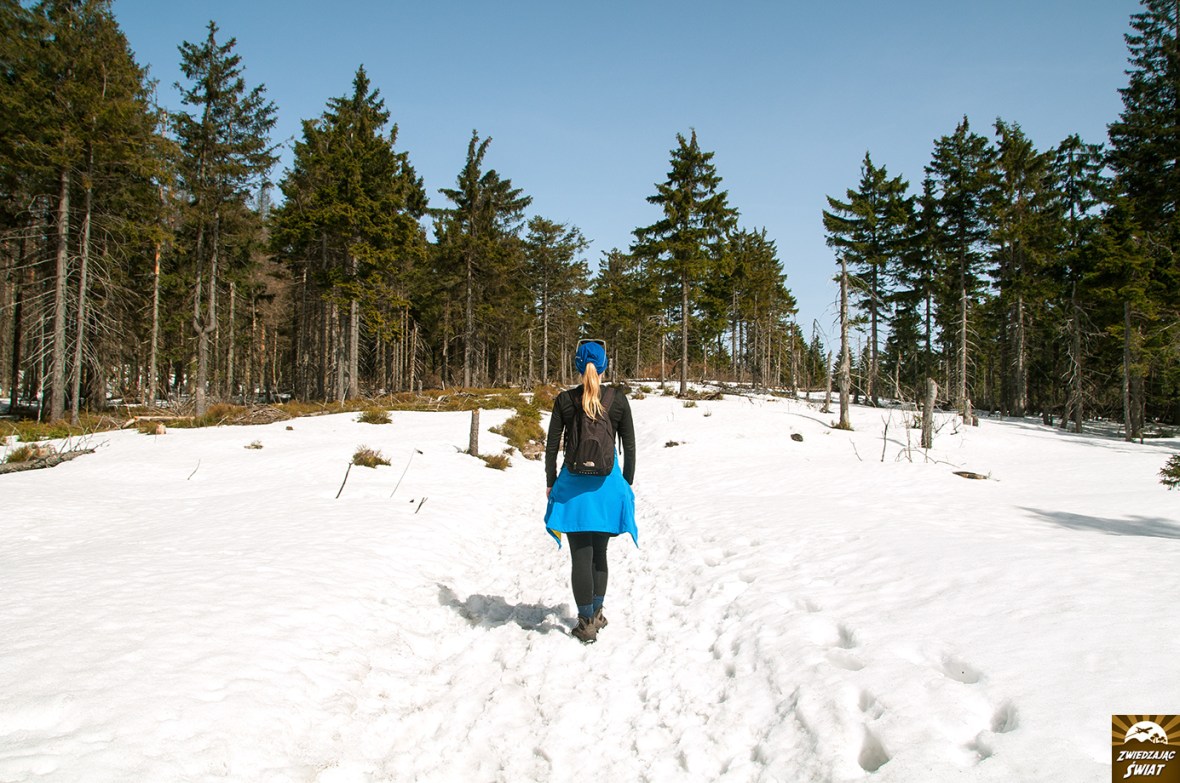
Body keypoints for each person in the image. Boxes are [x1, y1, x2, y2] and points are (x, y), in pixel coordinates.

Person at [544, 339, 637, 644]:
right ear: (604, 365)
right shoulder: (618, 399)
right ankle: (597, 614)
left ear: (577, 365)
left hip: (574, 490)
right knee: (600, 553)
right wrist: (626, 484)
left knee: (580, 556)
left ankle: (585, 624)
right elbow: (630, 447)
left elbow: (551, 447)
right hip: (608, 488)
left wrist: (551, 481)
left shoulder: (564, 400)